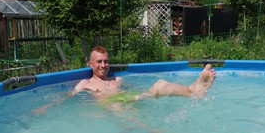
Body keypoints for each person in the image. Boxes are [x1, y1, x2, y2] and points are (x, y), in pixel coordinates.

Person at [71, 46, 216, 102]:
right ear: (90, 64)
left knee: (159, 85)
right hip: (110, 104)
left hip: (127, 99)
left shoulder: (118, 79)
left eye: (106, 61)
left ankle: (191, 90)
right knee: (116, 105)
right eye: (99, 62)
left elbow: (134, 90)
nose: (103, 65)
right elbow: (65, 99)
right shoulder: (85, 84)